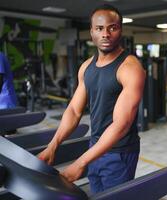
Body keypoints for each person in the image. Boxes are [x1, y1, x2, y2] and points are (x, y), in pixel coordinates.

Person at [38, 4, 145, 194]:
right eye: (99, 28)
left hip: (119, 153)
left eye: (112, 27)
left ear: (120, 30)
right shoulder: (86, 67)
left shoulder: (130, 68)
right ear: (91, 32)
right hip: (94, 147)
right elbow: (73, 111)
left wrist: (81, 162)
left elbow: (121, 125)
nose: (106, 34)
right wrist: (52, 146)